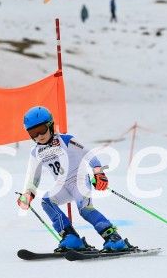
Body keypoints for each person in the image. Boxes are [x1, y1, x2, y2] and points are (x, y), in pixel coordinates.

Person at [18, 106, 129, 252]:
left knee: (85, 210)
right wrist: (28, 194)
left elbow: (89, 155)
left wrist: (98, 173)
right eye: (33, 133)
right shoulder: (36, 153)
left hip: (79, 181)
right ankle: (71, 237)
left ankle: (114, 238)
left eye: (42, 129)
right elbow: (34, 177)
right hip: (62, 186)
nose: (39, 136)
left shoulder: (66, 140)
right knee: (46, 201)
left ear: (50, 125)